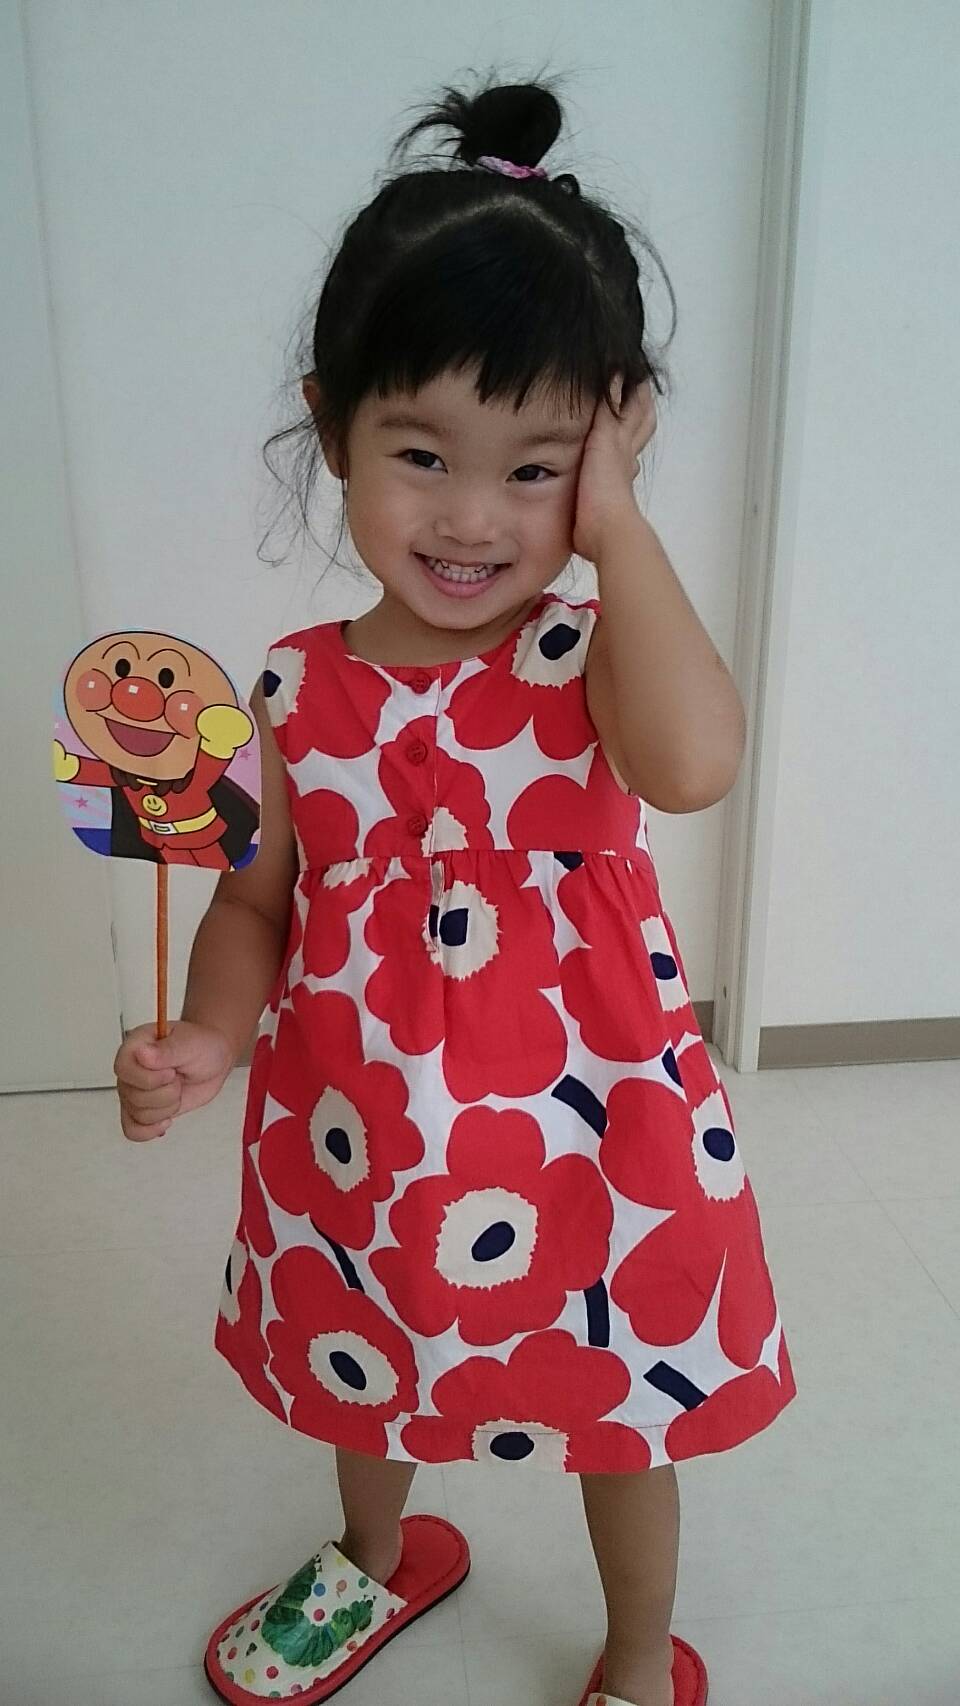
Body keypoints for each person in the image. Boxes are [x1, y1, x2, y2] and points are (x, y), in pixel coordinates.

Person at [113, 73, 796, 1706]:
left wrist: (616, 528)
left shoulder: (589, 650)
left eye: (538, 467)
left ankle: (640, 1646)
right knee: (367, 1358)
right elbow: (253, 904)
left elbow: (697, 762)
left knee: (622, 1395)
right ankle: (378, 1549)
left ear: (608, 448)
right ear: (330, 419)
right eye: (420, 452)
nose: (474, 517)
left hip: (594, 1133)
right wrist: (208, 1037)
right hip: (364, 1126)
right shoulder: (288, 688)